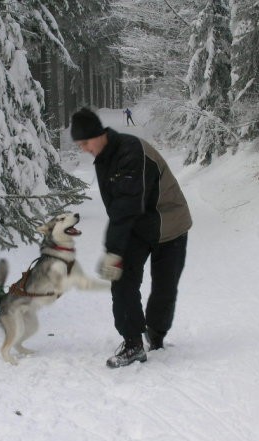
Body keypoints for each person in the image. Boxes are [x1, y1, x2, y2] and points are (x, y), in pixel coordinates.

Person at [70, 107, 192, 368]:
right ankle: (133, 343)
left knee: (164, 287)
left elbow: (126, 206)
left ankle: (156, 336)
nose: (84, 149)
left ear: (98, 134)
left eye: (85, 142)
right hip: (138, 224)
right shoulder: (103, 157)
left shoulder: (130, 152)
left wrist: (112, 250)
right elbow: (118, 208)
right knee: (122, 279)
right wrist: (117, 252)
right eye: (79, 145)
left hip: (169, 223)